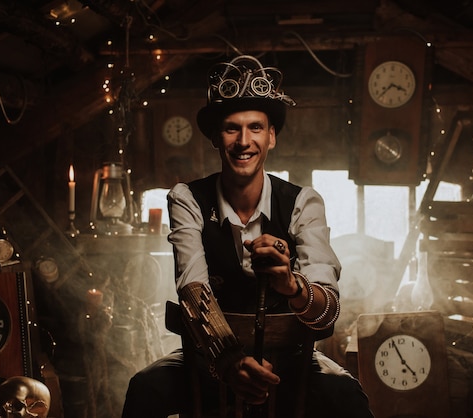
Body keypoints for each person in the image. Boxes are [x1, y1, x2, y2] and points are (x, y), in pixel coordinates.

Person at [122, 55, 373, 418]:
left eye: (255, 127)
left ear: (271, 136)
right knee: (145, 388)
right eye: (231, 128)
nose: (244, 141)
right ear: (214, 137)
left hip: (291, 364)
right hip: (210, 361)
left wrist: (292, 284)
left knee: (348, 396)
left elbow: (327, 315)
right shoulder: (188, 198)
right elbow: (192, 292)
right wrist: (227, 361)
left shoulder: (304, 202)